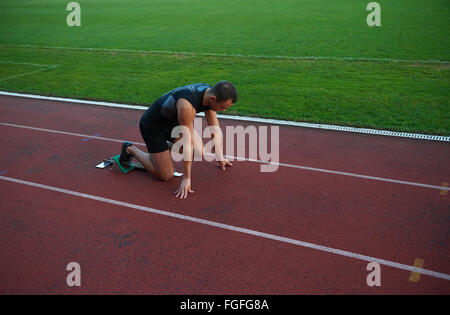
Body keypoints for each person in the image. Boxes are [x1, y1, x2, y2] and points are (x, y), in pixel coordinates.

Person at [119, 81, 238, 199]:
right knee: (165, 175)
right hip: (153, 127)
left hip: (174, 124)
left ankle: (162, 149)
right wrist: (186, 178)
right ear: (213, 98)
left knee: (198, 152)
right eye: (222, 107)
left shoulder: (210, 94)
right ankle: (130, 149)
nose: (223, 110)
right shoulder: (187, 106)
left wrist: (220, 156)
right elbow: (188, 142)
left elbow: (214, 130)